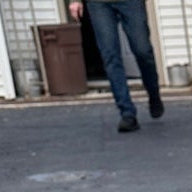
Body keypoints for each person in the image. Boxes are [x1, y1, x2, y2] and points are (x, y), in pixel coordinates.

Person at [68, 0, 163, 132]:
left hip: (131, 3)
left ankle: (153, 92)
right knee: (110, 56)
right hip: (99, 4)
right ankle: (127, 113)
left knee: (143, 51)